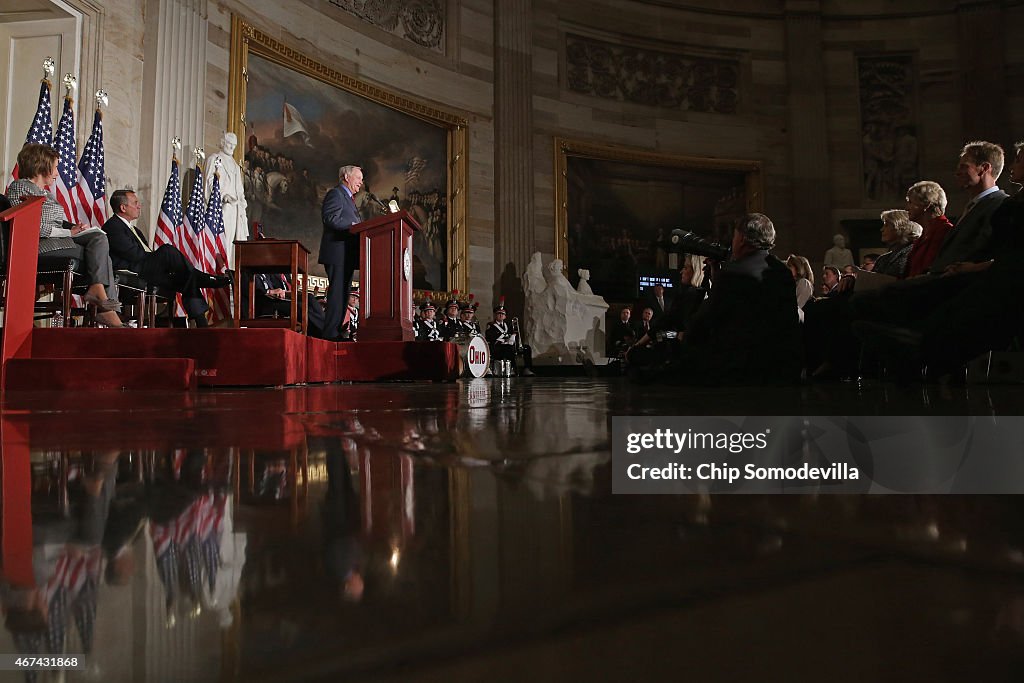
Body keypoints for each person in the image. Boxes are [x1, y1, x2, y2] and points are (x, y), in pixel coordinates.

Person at [667, 213, 802, 385]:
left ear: (742, 239)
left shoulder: (734, 273)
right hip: (779, 367)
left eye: (735, 235)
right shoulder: (782, 271)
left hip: (742, 369)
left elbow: (704, 321)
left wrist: (684, 337)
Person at [6, 143, 124, 327]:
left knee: (99, 240)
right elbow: (31, 227)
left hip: (58, 240)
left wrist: (75, 227)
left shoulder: (46, 194)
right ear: (41, 166)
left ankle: (102, 300)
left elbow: (56, 221)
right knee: (100, 252)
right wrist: (68, 232)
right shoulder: (20, 187)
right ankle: (108, 311)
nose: (57, 173)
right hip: (40, 245)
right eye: (54, 168)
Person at [104, 190, 230, 328]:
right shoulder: (113, 226)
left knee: (185, 278)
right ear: (123, 207)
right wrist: (159, 259)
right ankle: (204, 278)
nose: (139, 206)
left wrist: (158, 261)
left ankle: (201, 323)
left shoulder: (135, 230)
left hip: (146, 268)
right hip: (132, 270)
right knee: (167, 250)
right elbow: (133, 255)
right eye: (135, 203)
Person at [320, 165, 363, 342]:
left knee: (343, 295)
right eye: (358, 178)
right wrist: (354, 226)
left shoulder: (350, 199)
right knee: (337, 294)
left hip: (346, 255)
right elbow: (330, 218)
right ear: (346, 176)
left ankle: (336, 332)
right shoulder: (336, 194)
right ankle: (330, 334)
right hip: (337, 253)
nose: (361, 182)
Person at [204, 132, 248, 269]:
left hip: (234, 208)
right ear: (223, 142)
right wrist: (222, 195)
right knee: (220, 238)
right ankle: (217, 268)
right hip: (221, 206)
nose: (231, 147)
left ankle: (226, 268)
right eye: (229, 144)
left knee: (230, 241)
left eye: (234, 145)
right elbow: (209, 180)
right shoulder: (214, 159)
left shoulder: (235, 165)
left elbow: (239, 188)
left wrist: (242, 200)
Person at [903, 181, 955, 278]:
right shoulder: (924, 234)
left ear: (926, 204)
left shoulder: (945, 231)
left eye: (910, 202)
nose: (906, 208)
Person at [253, 272, 327, 338]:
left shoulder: (275, 273)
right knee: (300, 307)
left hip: (279, 298)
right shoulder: (252, 272)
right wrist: (270, 291)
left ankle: (324, 331)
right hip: (266, 303)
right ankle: (326, 332)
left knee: (309, 298)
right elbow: (256, 291)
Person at [485, 303, 534, 376]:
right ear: (495, 315)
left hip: (510, 345)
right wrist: (505, 340)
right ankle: (512, 368)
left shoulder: (508, 325)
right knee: (508, 348)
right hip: (498, 347)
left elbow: (514, 334)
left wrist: (513, 337)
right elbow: (490, 337)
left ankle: (527, 368)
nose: (501, 315)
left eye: (503, 314)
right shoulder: (491, 325)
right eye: (499, 313)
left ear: (505, 316)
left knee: (527, 348)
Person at [871, 209, 922, 278]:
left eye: (887, 225)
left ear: (902, 227)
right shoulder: (882, 259)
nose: (882, 229)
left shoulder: (915, 252)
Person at [786, 254, 814, 322]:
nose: (787, 269)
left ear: (798, 268)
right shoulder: (791, 284)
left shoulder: (804, 283)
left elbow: (797, 306)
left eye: (790, 266)